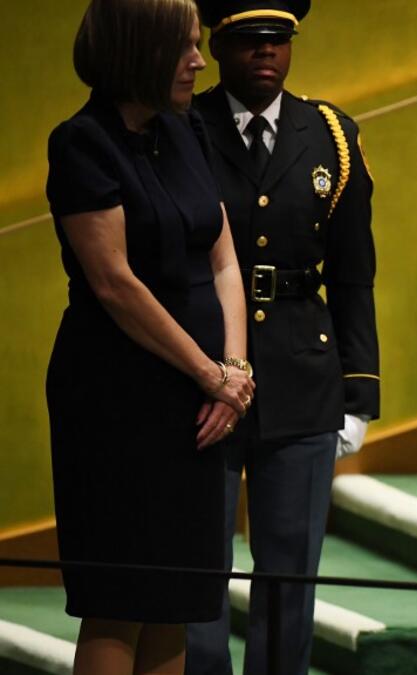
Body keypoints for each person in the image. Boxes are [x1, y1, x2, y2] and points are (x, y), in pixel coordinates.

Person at [45, 0, 256, 673]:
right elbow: (114, 282)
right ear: (139, 49)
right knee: (121, 597)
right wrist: (209, 374)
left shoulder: (184, 127)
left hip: (198, 397)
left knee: (178, 598)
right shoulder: (82, 142)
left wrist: (234, 369)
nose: (199, 60)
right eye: (186, 47)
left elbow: (223, 255)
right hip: (118, 400)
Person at [185, 1, 380, 673]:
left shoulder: (329, 134)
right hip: (204, 371)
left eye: (278, 40)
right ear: (218, 45)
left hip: (303, 371)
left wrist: (359, 390)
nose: (265, 53)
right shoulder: (183, 127)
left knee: (291, 568)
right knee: (200, 565)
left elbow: (354, 273)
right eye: (248, 41)